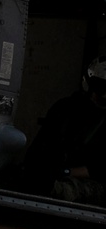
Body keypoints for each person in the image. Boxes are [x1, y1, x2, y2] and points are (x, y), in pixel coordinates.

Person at [23, 56, 106, 204]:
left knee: (66, 191)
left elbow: (98, 168)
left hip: (84, 182)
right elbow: (39, 150)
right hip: (52, 174)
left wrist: (66, 172)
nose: (103, 96)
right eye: (100, 89)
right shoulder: (65, 109)